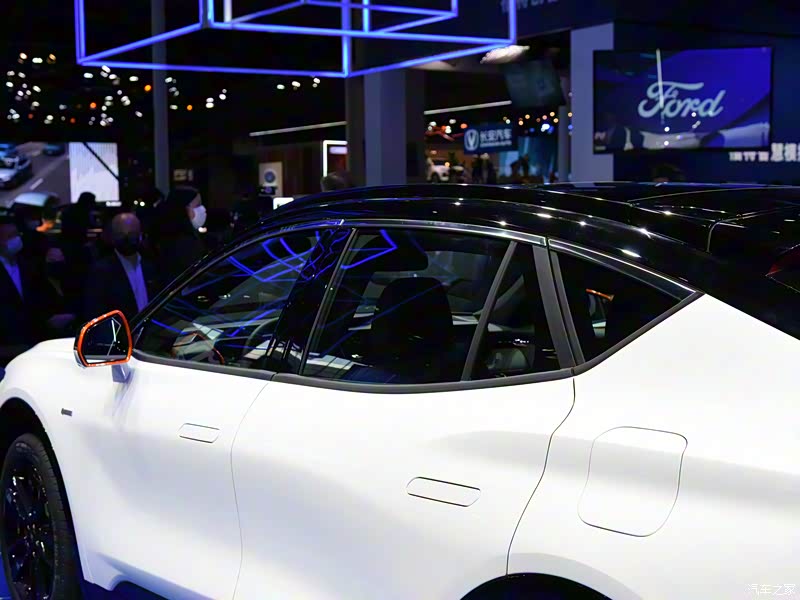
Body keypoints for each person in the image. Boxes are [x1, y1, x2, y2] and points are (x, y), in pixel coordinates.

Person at [83, 212, 157, 322]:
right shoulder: (101, 271)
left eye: (131, 234)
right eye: (121, 234)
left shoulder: (152, 266)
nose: (127, 239)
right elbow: (96, 312)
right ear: (112, 237)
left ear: (140, 235)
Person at [0, 215, 48, 365]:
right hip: (5, 348)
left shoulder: (27, 264)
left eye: (17, 234)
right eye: (9, 236)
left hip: (31, 344)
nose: (16, 239)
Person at [153, 186, 207, 285]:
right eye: (197, 205)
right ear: (183, 208)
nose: (202, 209)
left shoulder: (168, 235)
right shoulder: (184, 242)